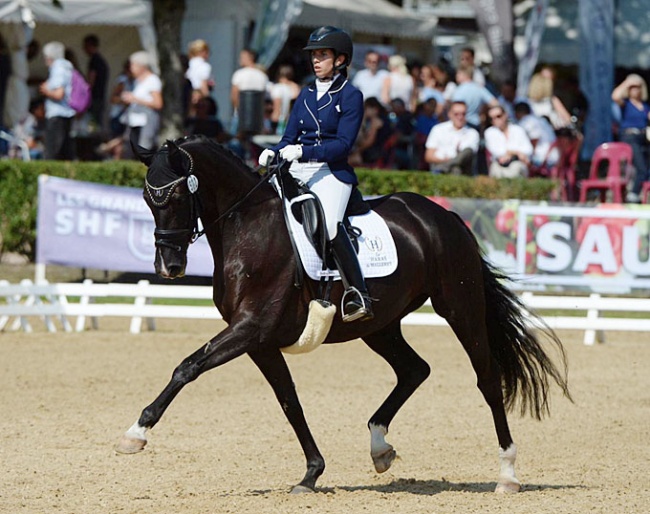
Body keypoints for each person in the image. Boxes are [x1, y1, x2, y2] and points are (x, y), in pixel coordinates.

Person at [257, 26, 373, 322]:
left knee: (331, 225)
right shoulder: (306, 94)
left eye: (323, 55)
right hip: (298, 167)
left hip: (331, 171)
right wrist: (275, 150)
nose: (316, 60)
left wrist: (303, 152)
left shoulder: (350, 96)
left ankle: (356, 293)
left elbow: (343, 145)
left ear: (340, 59)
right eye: (314, 55)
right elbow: (289, 136)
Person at [611, 74, 650, 203]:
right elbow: (615, 96)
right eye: (632, 88)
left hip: (643, 138)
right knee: (641, 168)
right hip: (629, 137)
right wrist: (627, 82)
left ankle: (638, 193)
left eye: (638, 87)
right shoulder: (626, 104)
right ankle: (632, 196)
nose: (635, 90)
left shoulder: (644, 106)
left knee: (645, 167)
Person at [120, 51, 162, 156]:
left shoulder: (152, 80)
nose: (131, 68)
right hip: (135, 121)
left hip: (147, 120)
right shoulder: (137, 81)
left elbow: (158, 103)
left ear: (141, 66)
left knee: (144, 149)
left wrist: (135, 99)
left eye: (133, 65)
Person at [39, 41, 76, 160]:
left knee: (52, 152)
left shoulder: (58, 68)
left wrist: (46, 90)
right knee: (65, 151)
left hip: (57, 114)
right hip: (65, 113)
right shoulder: (66, 67)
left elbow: (59, 94)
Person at [424, 100, 479, 175]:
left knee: (467, 153)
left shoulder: (472, 133)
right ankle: (445, 168)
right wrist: (445, 160)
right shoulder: (438, 129)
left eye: (463, 114)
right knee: (455, 169)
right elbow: (428, 156)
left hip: (460, 169)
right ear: (450, 114)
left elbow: (466, 156)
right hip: (439, 164)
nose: (460, 117)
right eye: (456, 114)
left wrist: (448, 162)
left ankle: (444, 168)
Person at [484, 104, 533, 179]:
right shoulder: (490, 132)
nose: (496, 120)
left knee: (516, 168)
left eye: (498, 116)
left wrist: (510, 153)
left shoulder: (518, 130)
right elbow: (497, 152)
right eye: (492, 118)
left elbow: (528, 150)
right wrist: (516, 152)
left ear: (505, 115)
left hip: (517, 163)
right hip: (499, 165)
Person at [230, 48, 269, 133]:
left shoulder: (239, 74)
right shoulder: (262, 76)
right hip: (258, 118)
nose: (240, 59)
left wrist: (239, 111)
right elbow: (265, 98)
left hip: (240, 117)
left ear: (250, 57)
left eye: (242, 57)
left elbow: (234, 96)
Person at [514, 101, 558, 175]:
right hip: (555, 155)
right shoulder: (541, 120)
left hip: (544, 158)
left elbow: (534, 139)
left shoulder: (526, 121)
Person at [451, 65, 498, 130]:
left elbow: (454, 107)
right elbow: (494, 103)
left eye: (458, 74)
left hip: (462, 124)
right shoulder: (479, 89)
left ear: (464, 74)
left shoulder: (459, 90)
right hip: (476, 124)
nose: (456, 76)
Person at [349, 96, 392, 167]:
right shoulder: (380, 119)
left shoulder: (376, 121)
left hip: (374, 153)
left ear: (374, 109)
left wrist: (357, 151)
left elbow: (369, 142)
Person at [82, 34, 109, 129]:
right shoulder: (101, 60)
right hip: (100, 96)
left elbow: (91, 82)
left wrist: (84, 96)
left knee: (93, 123)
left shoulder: (94, 61)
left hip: (94, 98)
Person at [185, 39, 214, 117]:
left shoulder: (189, 64)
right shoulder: (204, 66)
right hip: (199, 95)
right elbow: (203, 84)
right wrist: (208, 99)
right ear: (203, 52)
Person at [269, 64, 300, 135]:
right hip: (287, 119)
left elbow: (276, 107)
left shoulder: (276, 88)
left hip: (276, 119)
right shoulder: (292, 88)